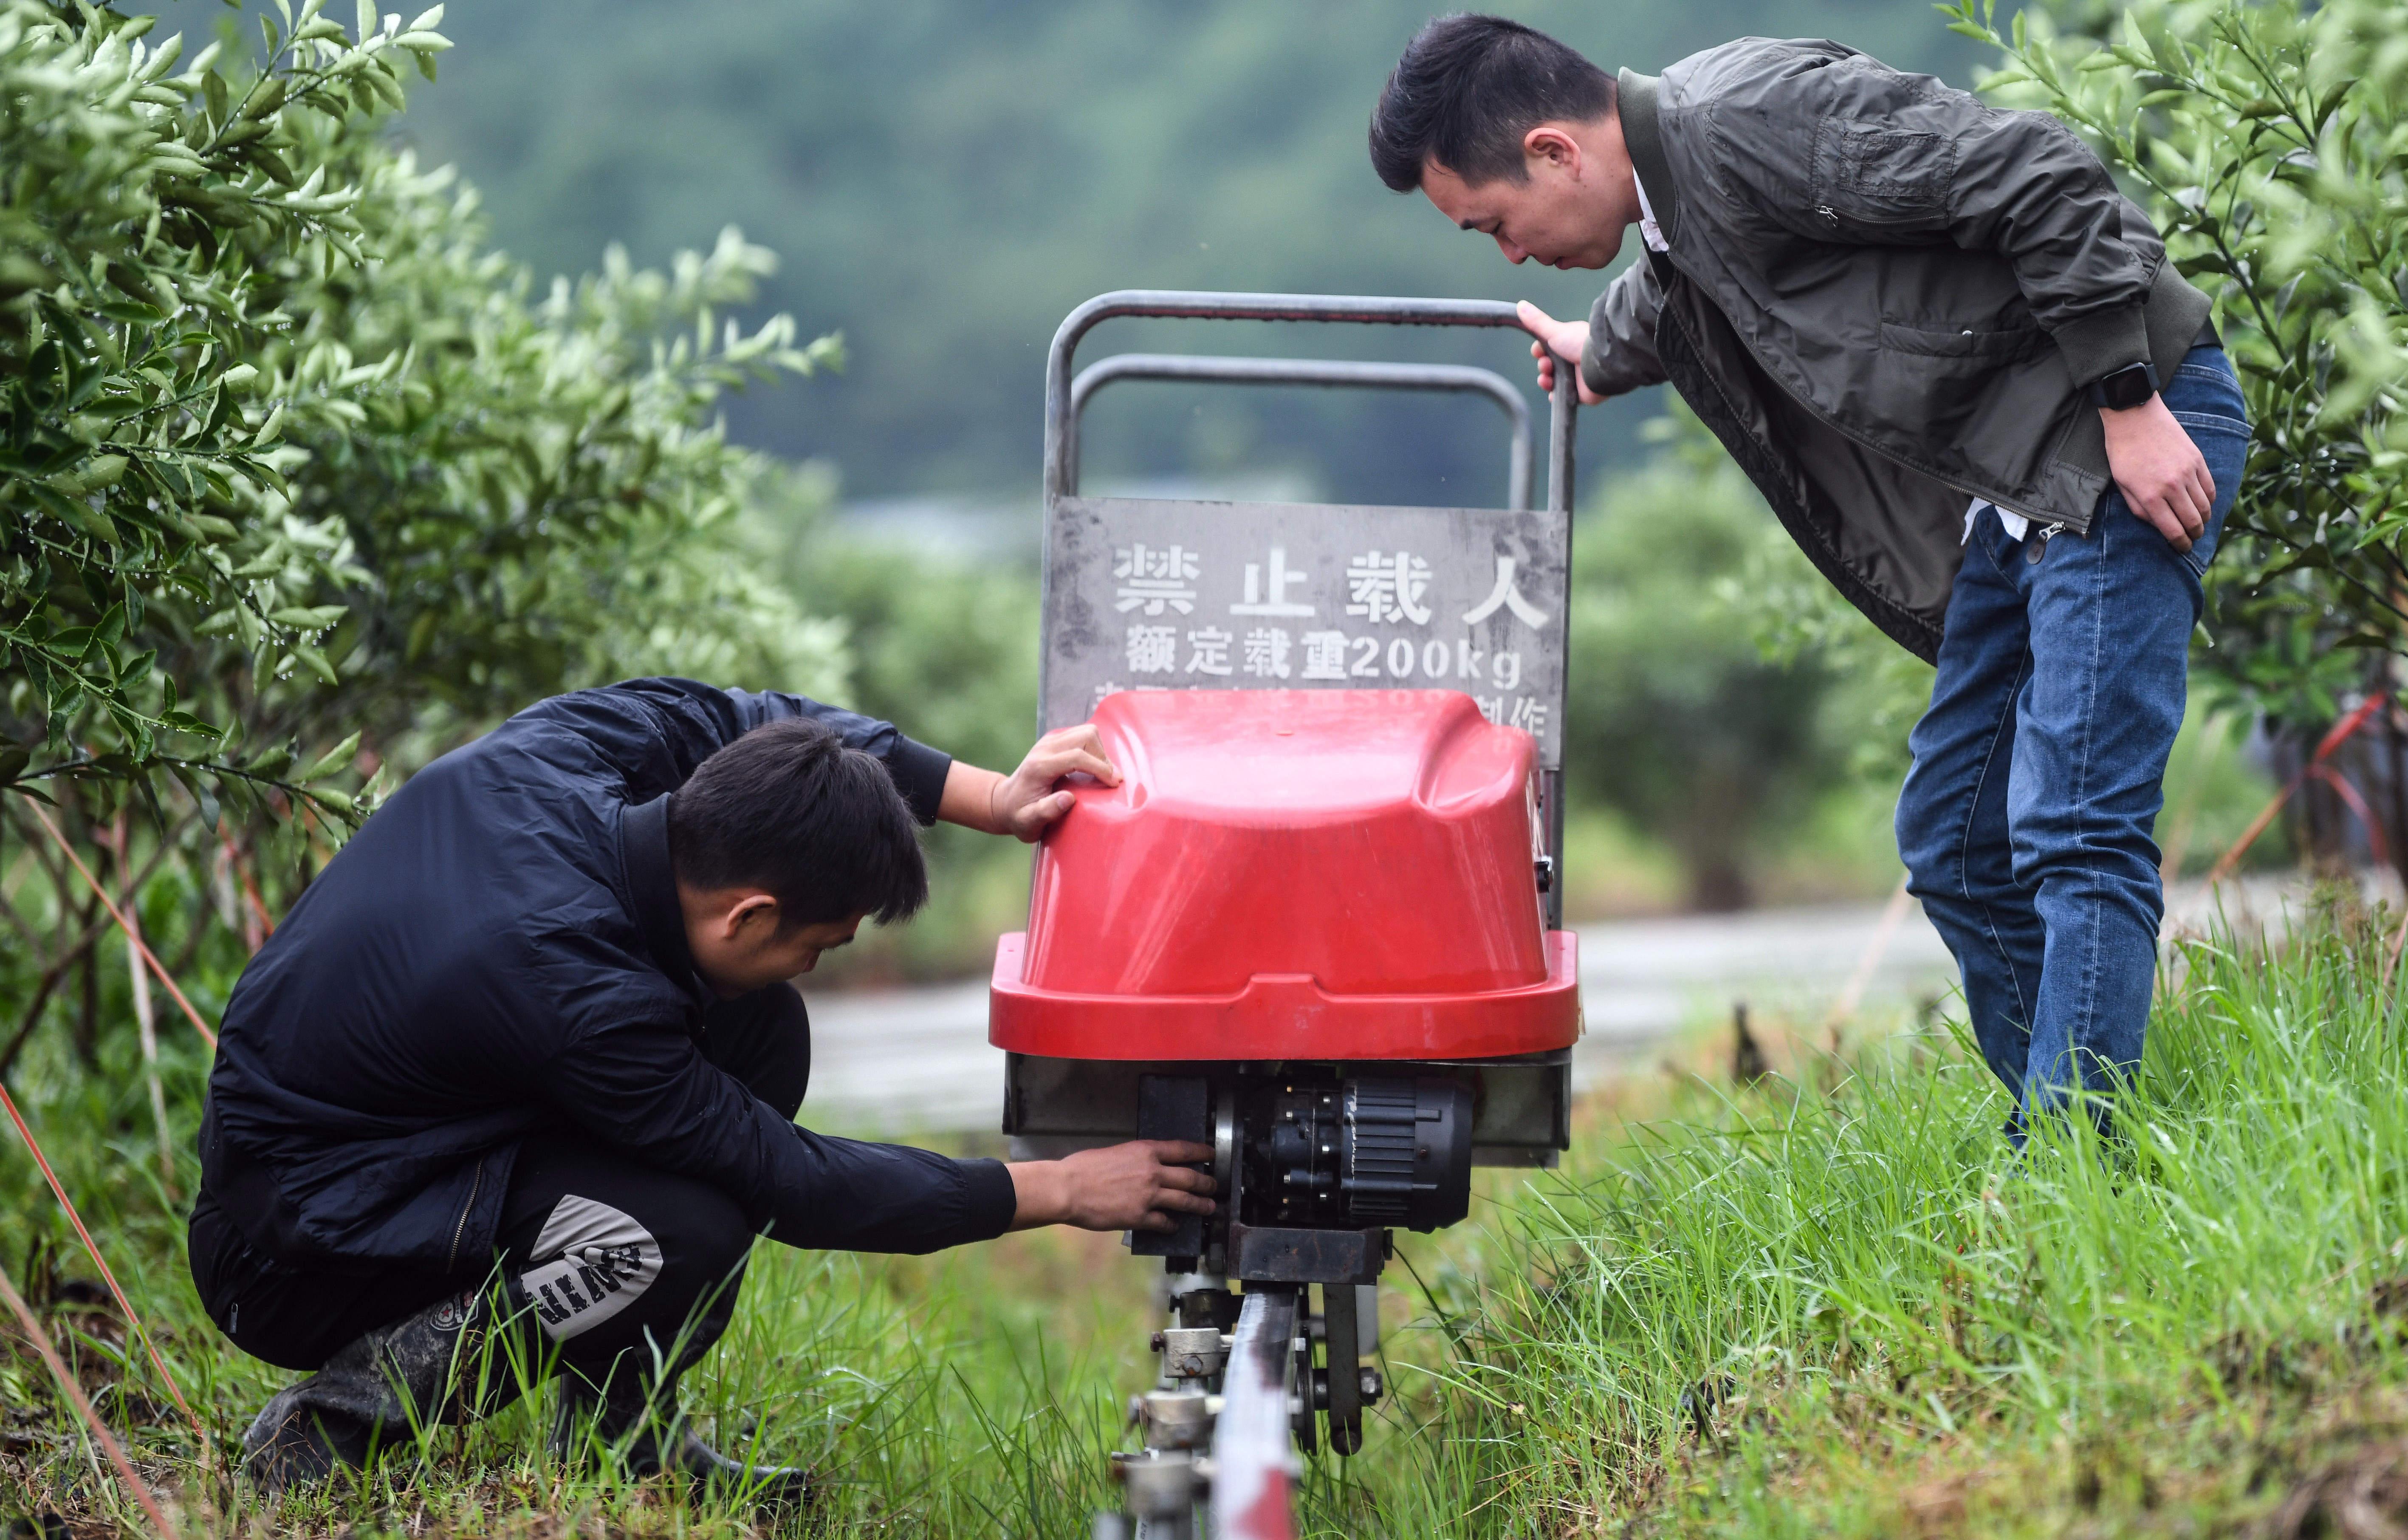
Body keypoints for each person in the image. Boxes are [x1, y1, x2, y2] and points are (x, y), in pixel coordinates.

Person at [1370, 20, 2252, 1140]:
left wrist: (2127, 404)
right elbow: (1689, 282)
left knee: (2074, 820)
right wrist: (1601, 351)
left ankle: (2075, 1164)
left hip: (2117, 427)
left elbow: (2036, 171)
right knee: (1958, 840)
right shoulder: (1678, 199)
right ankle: (2096, 1147)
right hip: (2021, 477)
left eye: (1495, 225)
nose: (1506, 254)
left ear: (1553, 153)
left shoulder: (1741, 117)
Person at [191, 677, 1217, 1497]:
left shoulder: (577, 747)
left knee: (758, 1034)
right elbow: (795, 1184)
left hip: (408, 1143)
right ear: (747, 916)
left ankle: (618, 1441)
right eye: (820, 942)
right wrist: (1061, 1190)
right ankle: (338, 1424)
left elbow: (758, 722)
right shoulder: (576, 987)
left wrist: (988, 795)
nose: (819, 964)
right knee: (680, 1229)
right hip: (290, 1248)